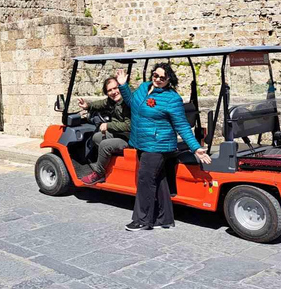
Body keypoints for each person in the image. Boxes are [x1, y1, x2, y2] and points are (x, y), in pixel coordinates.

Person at [116, 63, 211, 232]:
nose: (158, 79)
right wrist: (123, 85)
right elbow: (132, 103)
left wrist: (195, 148)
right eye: (155, 75)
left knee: (145, 181)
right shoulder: (145, 87)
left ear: (169, 80)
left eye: (162, 78)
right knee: (159, 181)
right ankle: (164, 219)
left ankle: (142, 220)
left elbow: (181, 125)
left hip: (157, 146)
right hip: (142, 143)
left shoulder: (171, 98)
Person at [77, 76, 131, 185]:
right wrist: (87, 106)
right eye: (109, 90)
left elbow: (129, 126)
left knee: (105, 145)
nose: (113, 92)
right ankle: (107, 163)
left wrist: (108, 125)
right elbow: (101, 104)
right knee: (96, 137)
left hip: (131, 139)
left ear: (121, 87)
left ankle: (98, 174)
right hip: (122, 135)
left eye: (115, 88)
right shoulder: (112, 102)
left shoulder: (128, 102)